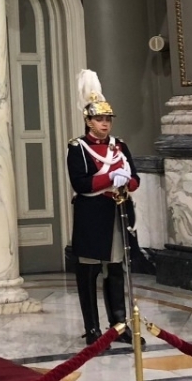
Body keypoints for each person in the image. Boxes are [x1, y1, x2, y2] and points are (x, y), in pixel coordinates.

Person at [67, 69, 139, 346]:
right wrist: (111, 177)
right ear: (88, 120)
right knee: (88, 273)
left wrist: (127, 182)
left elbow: (135, 179)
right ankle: (93, 328)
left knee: (117, 270)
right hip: (92, 216)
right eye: (99, 118)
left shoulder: (119, 146)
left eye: (107, 118)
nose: (105, 123)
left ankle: (119, 324)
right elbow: (81, 183)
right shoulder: (79, 148)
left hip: (117, 214)